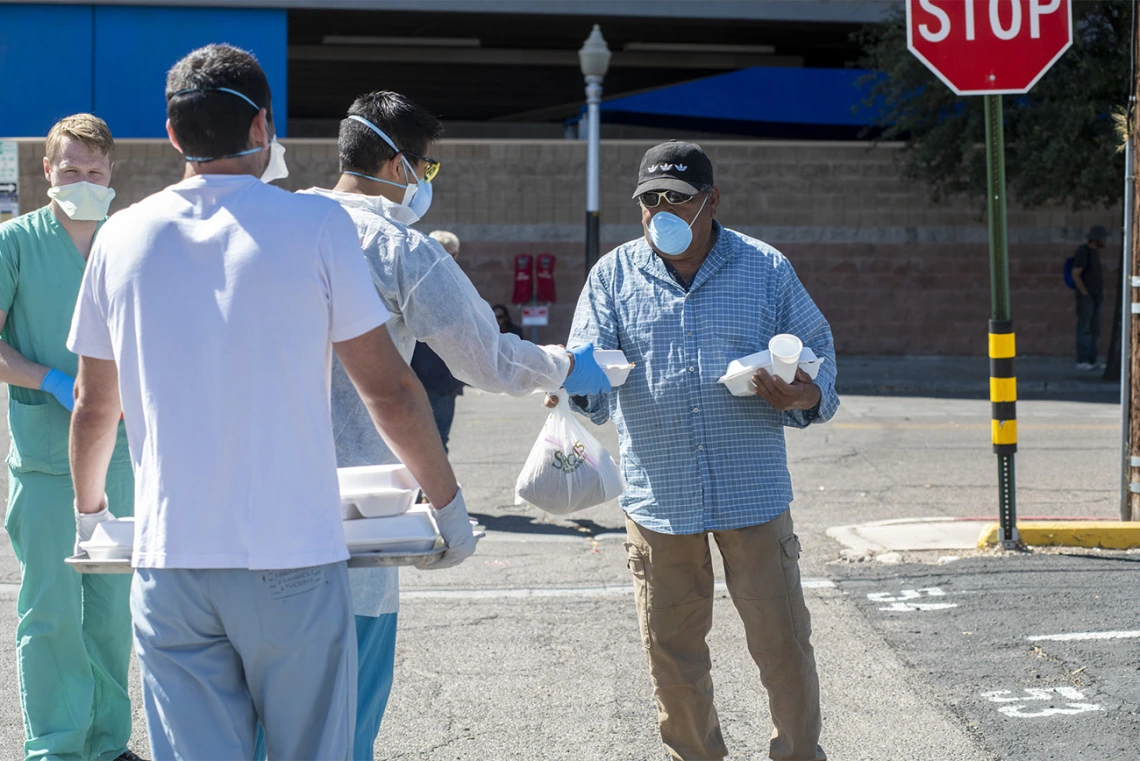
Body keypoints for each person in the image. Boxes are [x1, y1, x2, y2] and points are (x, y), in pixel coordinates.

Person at [66, 45, 476, 761]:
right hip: (292, 552)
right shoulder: (315, 227)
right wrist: (447, 507)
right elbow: (390, 389)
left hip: (173, 561)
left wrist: (90, 514)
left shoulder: (120, 236)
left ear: (172, 134)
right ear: (262, 126)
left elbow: (95, 404)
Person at [255, 89, 608, 761]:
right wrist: (567, 366)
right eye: (427, 168)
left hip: (247, 523)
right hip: (355, 527)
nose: (425, 182)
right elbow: (488, 360)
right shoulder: (396, 248)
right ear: (397, 167)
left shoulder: (275, 222)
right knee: (337, 730)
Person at [557, 140, 839, 761]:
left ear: (711, 200)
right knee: (673, 654)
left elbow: (820, 358)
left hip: (753, 496)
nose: (661, 210)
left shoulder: (765, 269)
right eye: (649, 200)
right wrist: (573, 381)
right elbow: (588, 378)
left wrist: (804, 394)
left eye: (677, 199)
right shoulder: (613, 274)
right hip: (660, 500)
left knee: (783, 644)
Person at [0, 114, 143, 761]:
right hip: (45, 457)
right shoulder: (16, 242)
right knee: (53, 611)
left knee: (112, 613)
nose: (83, 180)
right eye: (70, 169)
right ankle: (57, 747)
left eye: (94, 170)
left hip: (121, 457)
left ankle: (107, 740)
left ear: (111, 173)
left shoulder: (128, 241)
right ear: (46, 171)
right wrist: (50, 378)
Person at [411, 230, 465, 450]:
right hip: (439, 374)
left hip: (414, 370)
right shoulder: (458, 285)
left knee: (413, 440)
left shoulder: (411, 277)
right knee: (438, 439)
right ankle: (432, 485)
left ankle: (423, 484)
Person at [1073, 225, 1108, 370]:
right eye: (1103, 238)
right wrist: (1085, 294)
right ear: (1096, 239)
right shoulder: (1084, 252)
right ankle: (1082, 360)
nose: (1105, 241)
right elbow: (1076, 274)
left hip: (1096, 296)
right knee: (1085, 328)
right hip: (1087, 297)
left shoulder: (1094, 253)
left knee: (1095, 329)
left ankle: (1092, 360)